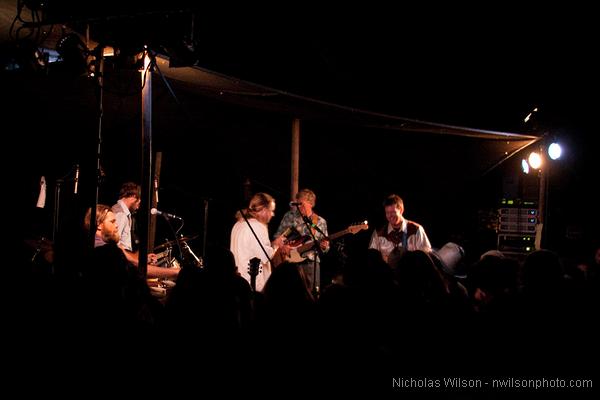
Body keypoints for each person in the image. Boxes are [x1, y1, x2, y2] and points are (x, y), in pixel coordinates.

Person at [112, 182, 178, 280]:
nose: (140, 204)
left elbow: (123, 249)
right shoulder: (120, 214)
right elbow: (116, 249)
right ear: (134, 196)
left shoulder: (123, 212)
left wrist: (143, 258)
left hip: (125, 263)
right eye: (140, 199)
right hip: (121, 269)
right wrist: (138, 261)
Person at [230, 192, 290, 292]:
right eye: (271, 210)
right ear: (263, 210)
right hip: (254, 283)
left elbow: (255, 249)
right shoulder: (258, 226)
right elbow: (266, 256)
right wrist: (277, 245)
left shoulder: (238, 224)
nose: (273, 214)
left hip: (239, 281)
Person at [275, 188, 329, 295]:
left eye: (301, 204)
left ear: (311, 203)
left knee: (312, 296)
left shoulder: (320, 222)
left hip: (311, 263)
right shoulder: (290, 216)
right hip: (291, 263)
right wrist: (282, 246)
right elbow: (278, 237)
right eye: (297, 204)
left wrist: (324, 246)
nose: (299, 207)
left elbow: (326, 247)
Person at [369, 194, 432, 264]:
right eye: (387, 213)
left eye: (393, 212)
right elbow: (372, 259)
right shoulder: (378, 233)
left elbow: (427, 258)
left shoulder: (416, 230)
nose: (390, 216)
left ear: (401, 210)